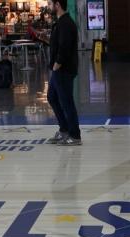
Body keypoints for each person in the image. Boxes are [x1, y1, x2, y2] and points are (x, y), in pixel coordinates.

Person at [47, 0, 81, 146]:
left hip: (63, 70)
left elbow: (65, 47)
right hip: (58, 70)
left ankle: (74, 135)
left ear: (57, 5)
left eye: (50, 4)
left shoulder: (66, 23)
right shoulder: (60, 22)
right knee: (52, 97)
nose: (48, 7)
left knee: (66, 101)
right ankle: (64, 129)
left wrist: (57, 65)